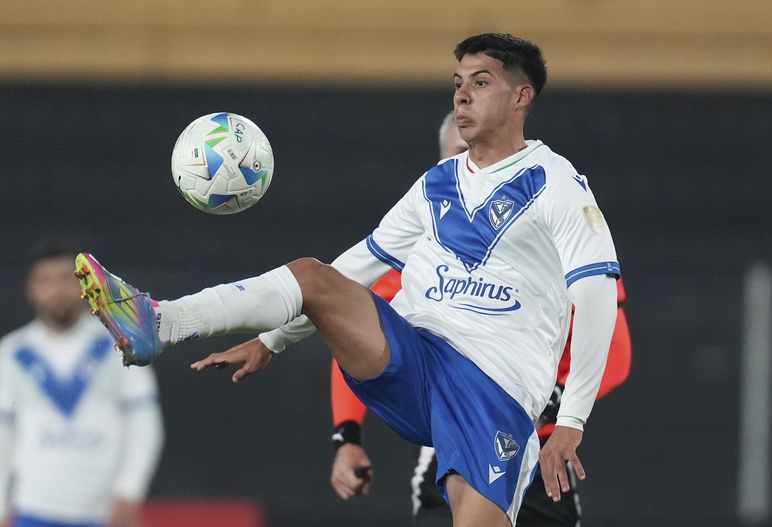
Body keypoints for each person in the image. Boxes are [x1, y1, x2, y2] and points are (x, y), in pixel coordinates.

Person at [75, 33, 620, 527]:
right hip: (419, 361)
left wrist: (571, 420)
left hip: (494, 389)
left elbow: (594, 296)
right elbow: (358, 266)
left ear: (522, 97)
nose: (462, 96)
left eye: (481, 83)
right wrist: (272, 340)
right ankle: (163, 320)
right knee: (315, 277)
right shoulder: (437, 182)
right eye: (458, 84)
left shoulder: (557, 184)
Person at [329, 113, 632, 526]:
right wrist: (347, 436)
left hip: (540, 459)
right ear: (444, 167)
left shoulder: (557, 238)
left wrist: (558, 405)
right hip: (454, 447)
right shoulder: (421, 256)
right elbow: (357, 332)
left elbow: (614, 349)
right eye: (463, 153)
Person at [0, 244, 165, 527]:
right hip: (33, 509)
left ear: (84, 284)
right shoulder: (12, 352)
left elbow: (145, 423)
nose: (57, 290)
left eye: (66, 279)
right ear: (31, 290)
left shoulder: (119, 343)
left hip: (106, 513)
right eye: (46, 281)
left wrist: (130, 489)